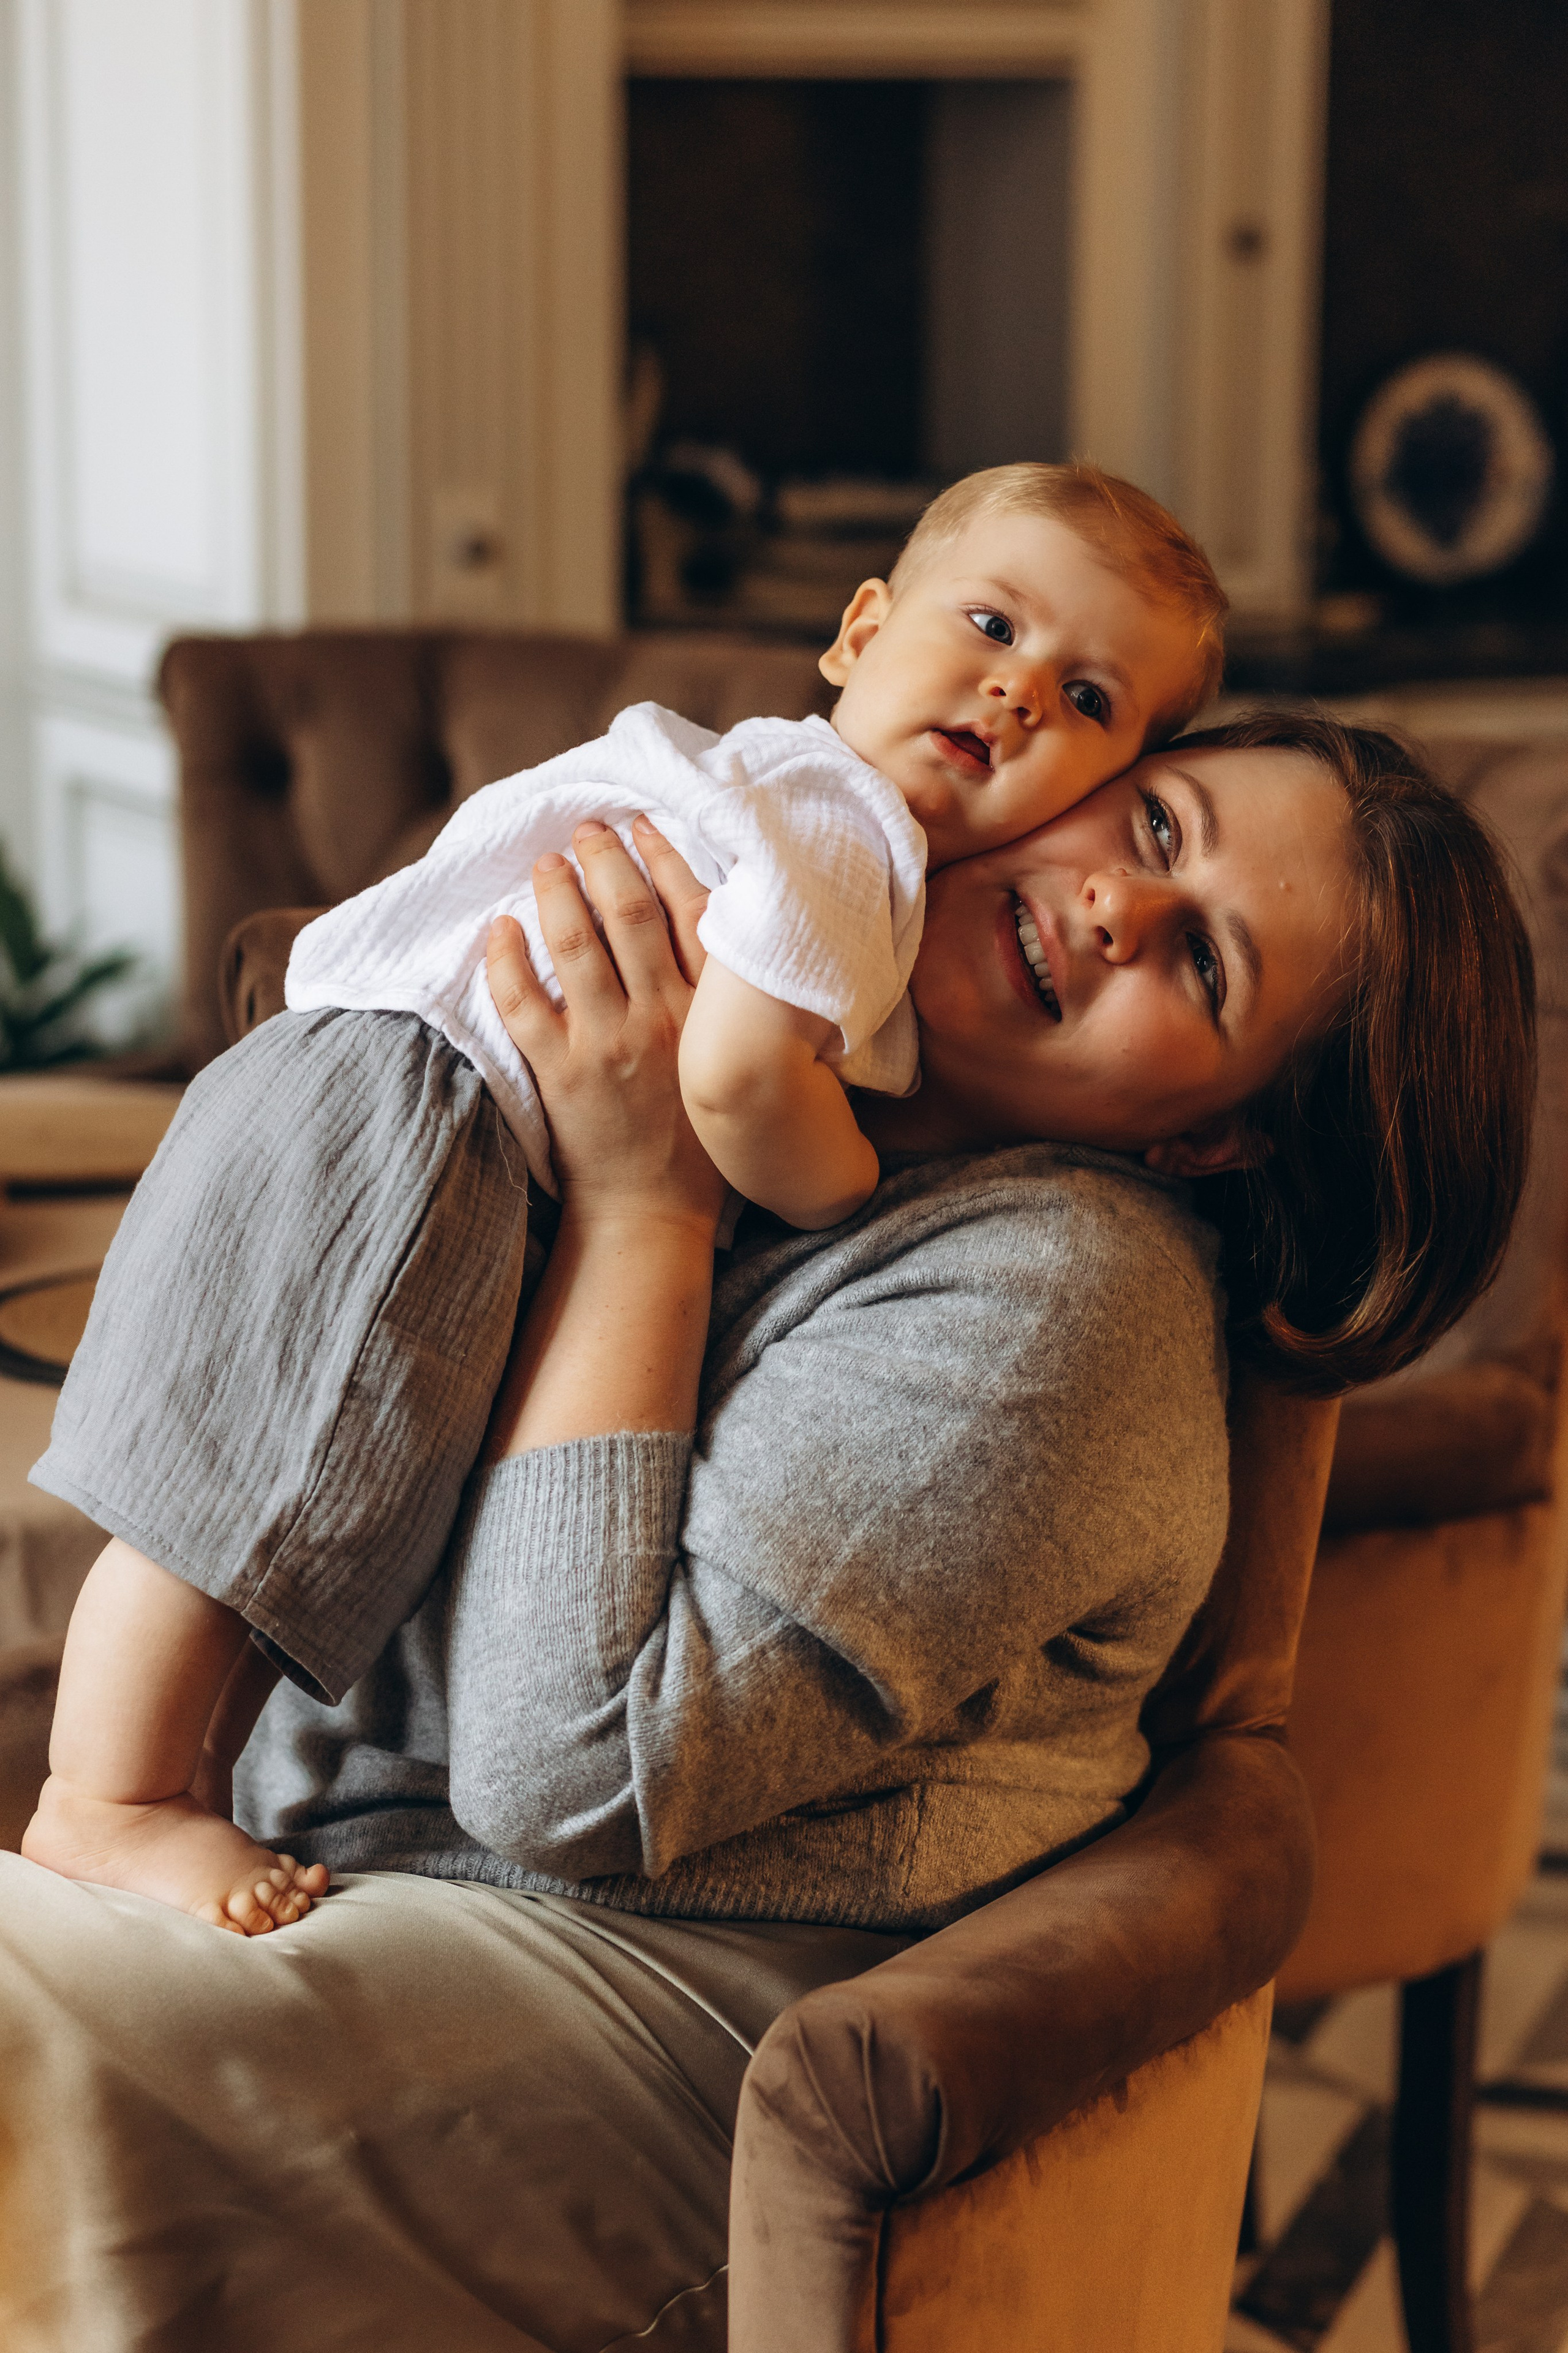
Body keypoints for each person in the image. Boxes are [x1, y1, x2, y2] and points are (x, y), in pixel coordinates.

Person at [0, 713, 1533, 2351]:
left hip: (653, 2051)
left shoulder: (1068, 1301)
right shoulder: (797, 1095)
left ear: (1212, 1131)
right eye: (1154, 828)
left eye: (1207, 966)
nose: (1113, 907)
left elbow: (567, 1763)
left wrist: (640, 1198)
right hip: (347, 1891)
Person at [22, 462, 1226, 1935]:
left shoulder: (776, 790)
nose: (1020, 694)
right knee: (259, 1508)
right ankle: (119, 1797)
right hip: (432, 1121)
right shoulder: (845, 839)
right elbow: (727, 1075)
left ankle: (138, 1792)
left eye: (1089, 700)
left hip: (375, 1070)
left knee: (244, 1508)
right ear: (859, 630)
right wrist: (829, 1179)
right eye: (988, 625)